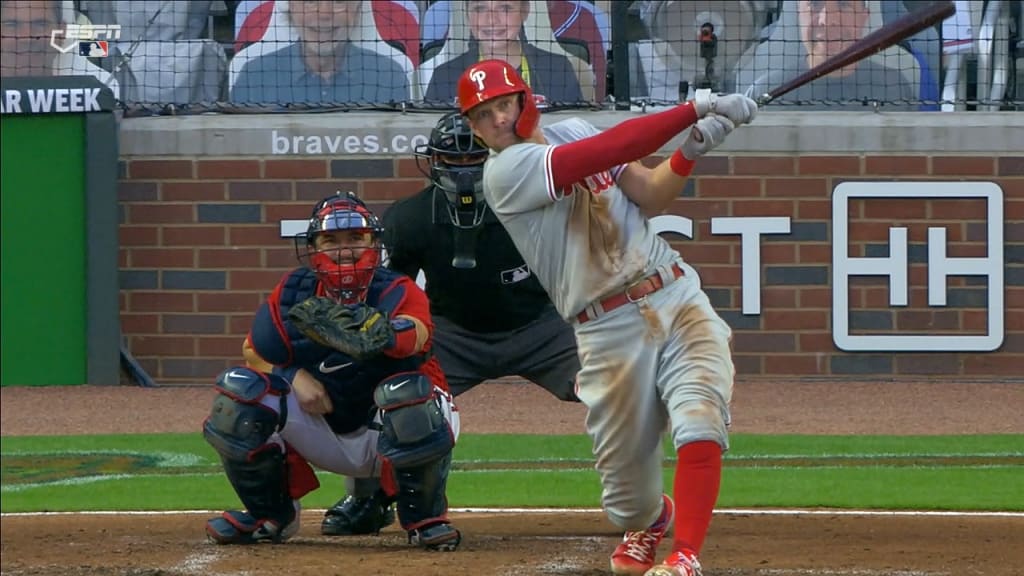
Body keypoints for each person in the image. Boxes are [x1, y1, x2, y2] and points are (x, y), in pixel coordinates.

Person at [457, 59, 758, 576]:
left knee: (699, 416)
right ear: (473, 129)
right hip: (604, 328)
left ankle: (686, 555)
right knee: (627, 503)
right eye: (484, 115)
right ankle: (652, 518)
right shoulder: (504, 172)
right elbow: (612, 148)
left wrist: (689, 152)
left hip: (672, 290)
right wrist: (694, 108)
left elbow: (649, 193)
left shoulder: (571, 129)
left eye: (505, 104)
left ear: (526, 99)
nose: (499, 120)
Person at [319, 110, 582, 537]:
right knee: (386, 389)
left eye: (473, 157)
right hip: (453, 332)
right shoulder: (411, 218)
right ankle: (371, 497)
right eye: (452, 159)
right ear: (434, 161)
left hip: (542, 325)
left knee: (613, 387)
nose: (463, 169)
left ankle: (635, 499)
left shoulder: (533, 202)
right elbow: (392, 290)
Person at [204, 192, 461, 551]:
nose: (345, 250)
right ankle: (272, 515)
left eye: (356, 238)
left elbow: (415, 337)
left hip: (393, 425)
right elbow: (253, 350)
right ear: (314, 247)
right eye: (331, 240)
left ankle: (425, 518)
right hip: (325, 421)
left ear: (374, 243)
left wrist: (380, 332)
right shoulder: (295, 291)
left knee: (406, 393)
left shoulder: (396, 289)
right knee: (240, 392)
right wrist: (292, 376)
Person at [740, 0, 916, 110]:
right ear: (799, 15)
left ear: (864, 17)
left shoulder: (895, 89)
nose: (827, 20)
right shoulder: (765, 94)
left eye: (843, 4)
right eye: (815, 5)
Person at [230, 0, 409, 105]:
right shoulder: (252, 77)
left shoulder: (390, 76)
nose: (324, 13)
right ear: (290, 8)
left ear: (357, 11)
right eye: (310, 1)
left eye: (339, 1)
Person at [424, 1, 583, 105]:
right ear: (467, 14)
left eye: (505, 8)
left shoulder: (558, 69)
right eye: (480, 8)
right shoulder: (444, 76)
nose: (492, 20)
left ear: (524, 11)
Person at [1, 0, 120, 98]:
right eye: (11, 25)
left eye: (40, 24)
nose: (26, 37)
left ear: (62, 32)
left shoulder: (100, 89)